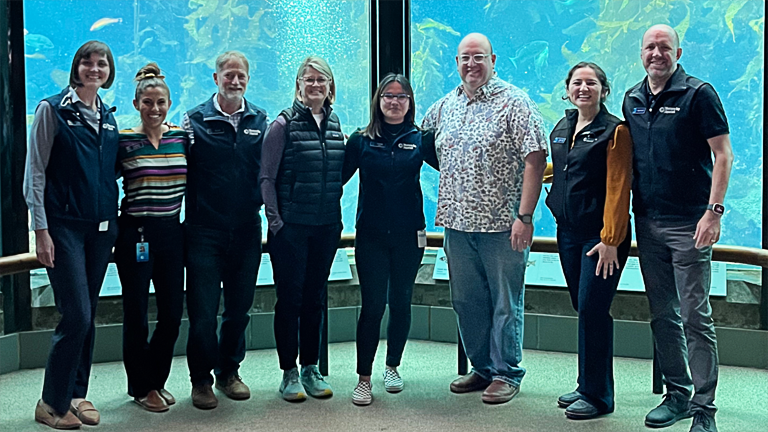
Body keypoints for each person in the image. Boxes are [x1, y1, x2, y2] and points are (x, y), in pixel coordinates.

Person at [421, 33, 548, 404]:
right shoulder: (447, 104)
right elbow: (422, 139)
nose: (471, 65)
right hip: (457, 224)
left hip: (502, 225)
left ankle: (507, 372)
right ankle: (481, 368)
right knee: (466, 301)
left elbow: (535, 158)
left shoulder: (515, 102)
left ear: (493, 59)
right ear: (456, 63)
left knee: (505, 302)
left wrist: (524, 216)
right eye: (465, 58)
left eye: (479, 57)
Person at [622, 24, 733, 432]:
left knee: (694, 317)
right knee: (662, 315)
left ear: (678, 52)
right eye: (650, 47)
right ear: (641, 53)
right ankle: (678, 395)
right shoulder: (632, 97)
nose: (656, 53)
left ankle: (705, 410)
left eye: (664, 47)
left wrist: (714, 212)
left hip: (690, 222)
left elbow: (723, 154)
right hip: (647, 222)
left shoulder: (699, 94)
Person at [24, 40, 119, 429]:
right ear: (75, 67)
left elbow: (106, 170)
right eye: (87, 62)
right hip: (62, 226)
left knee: (89, 313)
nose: (94, 69)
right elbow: (35, 172)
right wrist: (40, 230)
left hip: (100, 228)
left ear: (109, 71)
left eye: (101, 64)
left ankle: (77, 393)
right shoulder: (52, 109)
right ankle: (51, 401)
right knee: (76, 313)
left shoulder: (108, 116)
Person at [342, 73, 439, 406]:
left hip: (409, 235)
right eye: (388, 96)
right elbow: (335, 179)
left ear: (410, 102)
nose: (394, 102)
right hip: (370, 235)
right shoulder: (360, 140)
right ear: (378, 101)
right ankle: (364, 378)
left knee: (401, 302)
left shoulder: (421, 139)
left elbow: (455, 170)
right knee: (372, 306)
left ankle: (393, 366)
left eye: (402, 97)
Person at [544, 62, 632, 420]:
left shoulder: (615, 132)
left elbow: (619, 185)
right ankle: (586, 384)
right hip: (567, 232)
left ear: (604, 90)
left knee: (594, 310)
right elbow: (559, 167)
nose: (584, 88)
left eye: (591, 83)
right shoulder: (561, 127)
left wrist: (611, 239)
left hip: (601, 239)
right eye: (577, 83)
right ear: (567, 89)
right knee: (584, 310)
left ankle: (599, 396)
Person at [182, 51, 268, 410]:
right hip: (204, 230)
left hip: (247, 228)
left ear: (248, 79)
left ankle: (229, 372)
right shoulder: (192, 121)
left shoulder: (260, 120)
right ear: (215, 78)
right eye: (228, 75)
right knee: (203, 311)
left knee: (239, 309)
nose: (235, 81)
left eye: (241, 76)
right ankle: (201, 379)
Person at [260, 56, 345, 402]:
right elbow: (266, 177)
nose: (314, 86)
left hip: (325, 227)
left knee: (315, 299)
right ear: (298, 84)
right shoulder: (282, 124)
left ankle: (311, 367)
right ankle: (288, 372)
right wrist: (276, 221)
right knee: (290, 300)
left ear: (329, 87)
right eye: (308, 80)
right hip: (291, 229)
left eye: (320, 80)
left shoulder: (336, 123)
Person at [115, 62, 186, 413]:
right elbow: (101, 181)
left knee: (173, 312)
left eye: (160, 102)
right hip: (136, 234)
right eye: (147, 102)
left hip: (172, 232)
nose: (154, 109)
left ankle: (157, 378)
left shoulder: (180, 137)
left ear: (169, 103)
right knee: (137, 313)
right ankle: (141, 386)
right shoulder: (124, 140)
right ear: (136, 104)